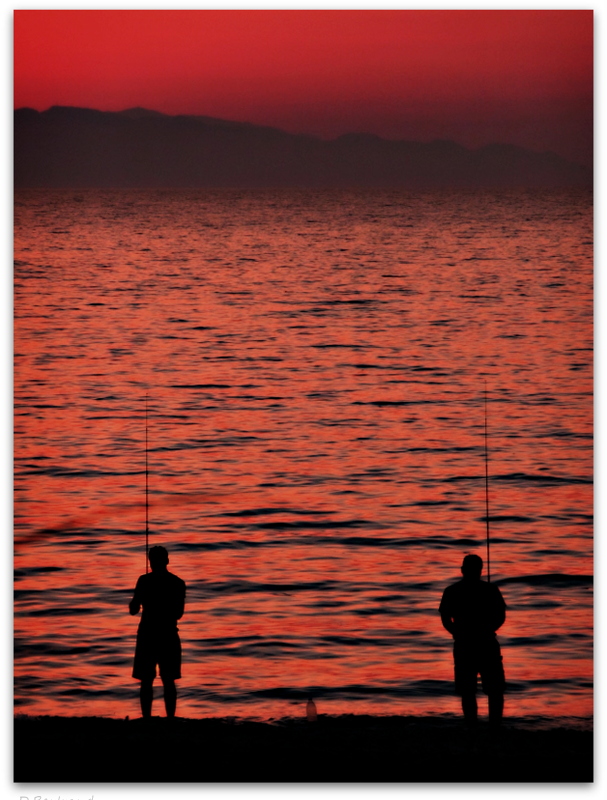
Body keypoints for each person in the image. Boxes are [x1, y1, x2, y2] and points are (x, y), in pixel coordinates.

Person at [439, 553, 506, 727]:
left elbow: (445, 620)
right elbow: (500, 616)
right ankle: (494, 726)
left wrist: (456, 633)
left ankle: (472, 726)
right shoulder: (491, 590)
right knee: (493, 690)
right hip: (486, 644)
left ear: (462, 570)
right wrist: (488, 629)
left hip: (464, 645)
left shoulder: (452, 591)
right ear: (480, 571)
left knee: (468, 690)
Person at [129, 545, 186, 718]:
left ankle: (147, 718)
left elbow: (133, 610)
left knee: (146, 680)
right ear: (167, 561)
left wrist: (141, 599)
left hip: (147, 635)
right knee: (169, 680)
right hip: (168, 635)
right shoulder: (177, 583)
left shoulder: (143, 581)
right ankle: (170, 719)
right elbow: (179, 614)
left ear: (150, 562)